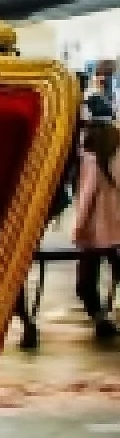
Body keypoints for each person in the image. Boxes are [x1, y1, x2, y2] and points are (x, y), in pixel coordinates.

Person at [74, 114, 120, 339]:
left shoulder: (90, 161)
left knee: (85, 283)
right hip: (116, 231)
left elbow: (86, 197)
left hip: (94, 232)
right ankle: (104, 319)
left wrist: (78, 228)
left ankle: (100, 318)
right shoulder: (117, 158)